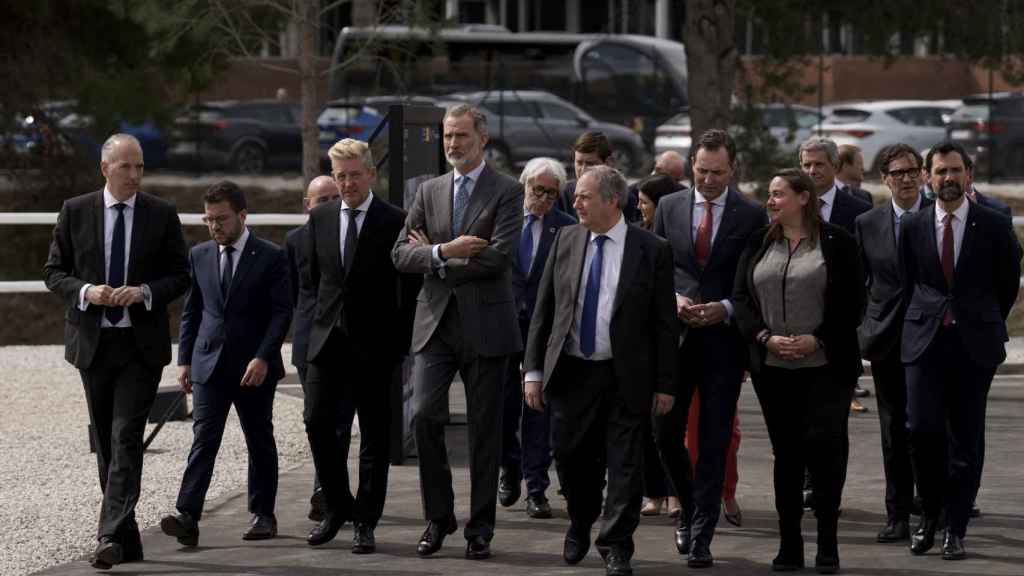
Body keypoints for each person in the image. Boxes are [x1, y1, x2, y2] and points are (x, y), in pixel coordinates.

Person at [44, 133, 190, 569]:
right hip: (94, 344)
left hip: (140, 347)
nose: (134, 175)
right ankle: (127, 537)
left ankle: (107, 534)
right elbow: (54, 273)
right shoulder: (75, 211)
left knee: (126, 435)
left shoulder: (161, 214)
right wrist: (89, 291)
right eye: (126, 167)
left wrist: (144, 292)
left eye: (140, 167)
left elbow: (180, 276)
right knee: (108, 445)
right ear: (105, 168)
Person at [524, 165, 677, 576]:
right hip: (573, 373)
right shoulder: (566, 239)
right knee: (571, 458)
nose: (575, 203)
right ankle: (580, 519)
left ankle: (616, 545)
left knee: (626, 466)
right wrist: (533, 371)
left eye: (584, 197)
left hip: (625, 375)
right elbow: (546, 309)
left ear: (613, 201)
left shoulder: (651, 249)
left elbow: (665, 323)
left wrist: (665, 384)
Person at [392, 104, 524, 560]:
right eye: (448, 136)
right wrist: (446, 251)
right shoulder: (427, 191)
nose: (453, 144)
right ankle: (438, 516)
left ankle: (480, 528)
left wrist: (432, 255)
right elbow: (400, 255)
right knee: (424, 416)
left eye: (462, 136)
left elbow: (500, 257)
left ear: (482, 139)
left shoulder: (507, 191)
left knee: (485, 432)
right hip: (435, 327)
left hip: (487, 327)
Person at [733, 168, 864, 574]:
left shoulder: (836, 242)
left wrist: (818, 338)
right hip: (773, 370)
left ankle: (827, 544)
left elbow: (853, 302)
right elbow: (741, 297)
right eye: (770, 195)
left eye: (778, 194)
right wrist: (764, 336)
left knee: (825, 454)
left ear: (803, 198)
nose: (770, 202)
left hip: (826, 369)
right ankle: (790, 545)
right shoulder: (757, 241)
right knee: (787, 457)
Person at [652, 129, 767, 567]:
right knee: (664, 434)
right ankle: (689, 503)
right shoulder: (668, 206)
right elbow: (657, 267)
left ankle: (701, 532)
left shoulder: (751, 216)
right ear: (691, 165)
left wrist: (724, 308)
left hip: (723, 345)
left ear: (732, 170)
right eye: (702, 170)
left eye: (718, 172)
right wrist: (674, 300)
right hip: (674, 341)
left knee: (715, 440)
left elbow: (754, 283)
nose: (709, 179)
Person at [901, 142, 1021, 560]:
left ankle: (955, 526)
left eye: (955, 171)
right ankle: (929, 514)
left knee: (966, 437)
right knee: (920, 429)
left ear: (968, 175)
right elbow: (908, 279)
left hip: (974, 344)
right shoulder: (913, 226)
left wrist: (980, 318)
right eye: (940, 172)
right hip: (924, 342)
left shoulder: (993, 222)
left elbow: (1007, 282)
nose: (948, 178)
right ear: (928, 178)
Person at [161, 181, 291, 546]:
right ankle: (188, 515)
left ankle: (263, 514)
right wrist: (184, 360)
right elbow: (193, 311)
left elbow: (281, 313)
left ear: (242, 216)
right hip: (208, 364)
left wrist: (264, 356)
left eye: (221, 219)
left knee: (259, 439)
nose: (215, 226)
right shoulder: (199, 254)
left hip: (254, 366)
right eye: (209, 219)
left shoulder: (270, 256)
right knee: (204, 438)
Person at [303, 139, 415, 552]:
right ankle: (337, 505)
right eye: (340, 175)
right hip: (327, 341)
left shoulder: (395, 220)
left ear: (371, 174)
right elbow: (314, 281)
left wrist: (399, 345)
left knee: (374, 435)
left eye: (354, 174)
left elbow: (408, 287)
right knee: (316, 422)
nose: (347, 183)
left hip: (376, 345)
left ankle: (365, 520)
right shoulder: (321, 218)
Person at [854, 144, 930, 544]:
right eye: (897, 173)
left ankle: (932, 512)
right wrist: (864, 327)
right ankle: (897, 513)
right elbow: (859, 283)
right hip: (886, 340)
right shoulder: (868, 223)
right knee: (893, 431)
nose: (906, 178)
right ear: (884, 179)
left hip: (933, 339)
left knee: (928, 427)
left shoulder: (938, 218)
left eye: (912, 171)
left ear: (923, 175)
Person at [498, 157, 576, 519]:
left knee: (537, 410)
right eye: (537, 190)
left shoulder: (566, 228)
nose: (542, 198)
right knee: (501, 409)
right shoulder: (504, 218)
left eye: (550, 193)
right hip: (503, 323)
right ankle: (509, 468)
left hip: (543, 331)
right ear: (523, 185)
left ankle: (536, 488)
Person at [798, 137, 871, 505]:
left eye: (819, 165)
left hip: (839, 331)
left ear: (834, 166)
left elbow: (865, 272)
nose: (812, 172)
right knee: (800, 420)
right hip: (795, 329)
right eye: (806, 165)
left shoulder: (858, 208)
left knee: (832, 422)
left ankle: (829, 490)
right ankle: (808, 481)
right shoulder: (787, 205)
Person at [285, 176, 352, 523]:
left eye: (333, 196)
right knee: (317, 421)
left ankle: (325, 491)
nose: (327, 203)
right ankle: (329, 487)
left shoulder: (348, 236)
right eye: (320, 198)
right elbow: (296, 295)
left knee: (340, 421)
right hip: (310, 345)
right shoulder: (294, 241)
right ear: (306, 204)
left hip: (345, 344)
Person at [633, 172, 681, 518]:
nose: (639, 208)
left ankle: (675, 492)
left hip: (672, 341)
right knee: (645, 427)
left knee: (668, 427)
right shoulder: (637, 236)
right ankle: (653, 491)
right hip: (640, 344)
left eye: (645, 203)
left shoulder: (666, 244)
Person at [557, 131, 640, 222]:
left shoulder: (625, 198)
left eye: (590, 164)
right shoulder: (563, 194)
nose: (583, 169)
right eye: (579, 163)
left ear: (608, 163)